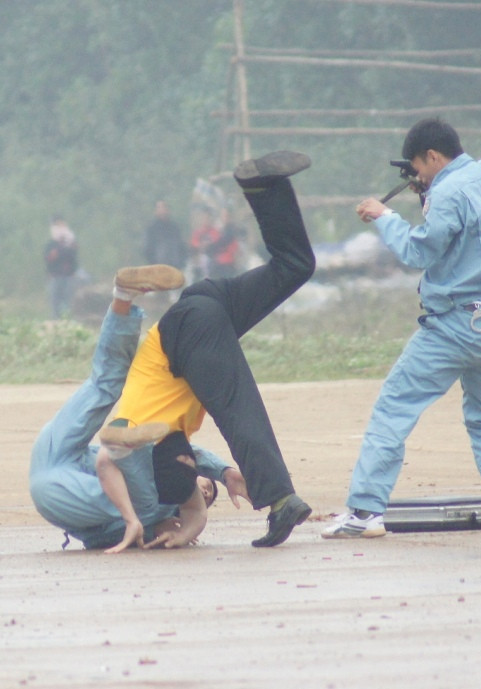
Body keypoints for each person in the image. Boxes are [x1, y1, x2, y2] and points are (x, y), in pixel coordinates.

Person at [321, 118, 481, 539]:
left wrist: (385, 215)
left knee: (394, 407)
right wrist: (428, 193)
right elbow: (469, 222)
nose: (417, 177)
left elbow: (418, 251)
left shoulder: (447, 192)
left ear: (433, 156)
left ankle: (364, 512)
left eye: (418, 168)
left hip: (457, 324)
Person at [102, 150, 317, 548]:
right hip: (207, 303)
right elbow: (193, 458)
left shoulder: (136, 430)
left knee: (237, 409)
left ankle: (281, 500)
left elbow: (108, 453)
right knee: (295, 266)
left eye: (189, 472)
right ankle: (264, 188)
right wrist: (215, 484)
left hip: (187, 331)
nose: (194, 467)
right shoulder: (172, 431)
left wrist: (171, 516)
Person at [28, 264, 248, 553]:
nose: (204, 490)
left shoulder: (170, 499)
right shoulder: (176, 464)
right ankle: (123, 296)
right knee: (105, 384)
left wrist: (161, 528)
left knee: (146, 505)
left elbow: (96, 538)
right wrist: (225, 471)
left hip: (62, 494)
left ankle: (122, 458)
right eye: (208, 487)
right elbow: (192, 456)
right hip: (58, 453)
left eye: (206, 495)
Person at [43, 214, 79, 319]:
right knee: (55, 300)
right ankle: (55, 319)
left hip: (68, 276)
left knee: (68, 299)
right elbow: (49, 258)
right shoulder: (51, 244)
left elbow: (73, 256)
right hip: (55, 276)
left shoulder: (70, 243)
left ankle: (67, 319)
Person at [143, 200, 188, 270]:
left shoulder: (175, 227)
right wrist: (154, 264)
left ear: (168, 210)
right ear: (155, 211)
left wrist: (182, 263)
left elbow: (181, 246)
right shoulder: (151, 229)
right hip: (158, 268)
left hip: (175, 267)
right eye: (159, 208)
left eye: (164, 207)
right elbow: (147, 249)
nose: (162, 210)